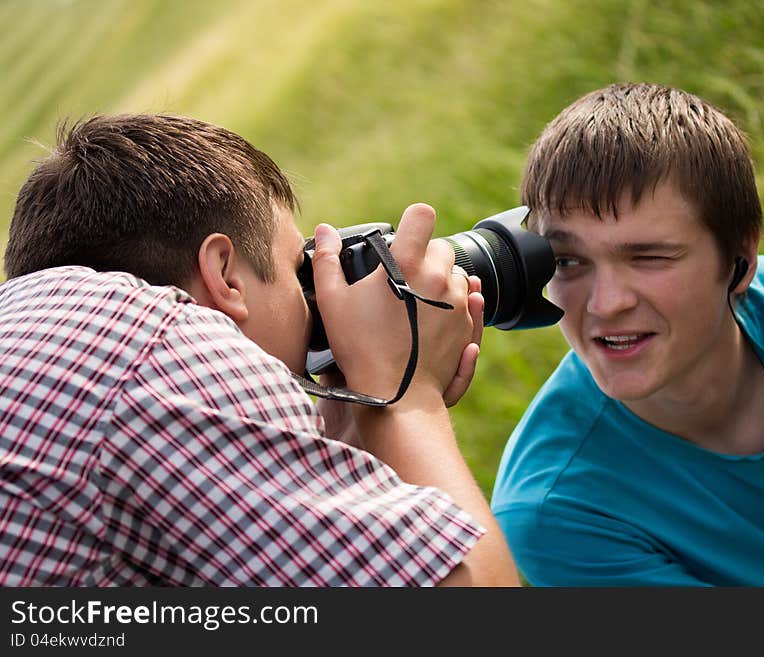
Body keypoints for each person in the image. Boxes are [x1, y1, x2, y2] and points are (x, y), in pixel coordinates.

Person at [0, 113, 519, 587]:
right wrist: (406, 394)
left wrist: (339, 439)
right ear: (224, 275)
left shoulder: (50, 337)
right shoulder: (158, 344)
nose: (315, 299)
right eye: (301, 272)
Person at [491, 82, 764, 586]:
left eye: (649, 257)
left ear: (739, 261)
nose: (606, 304)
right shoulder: (559, 509)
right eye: (567, 261)